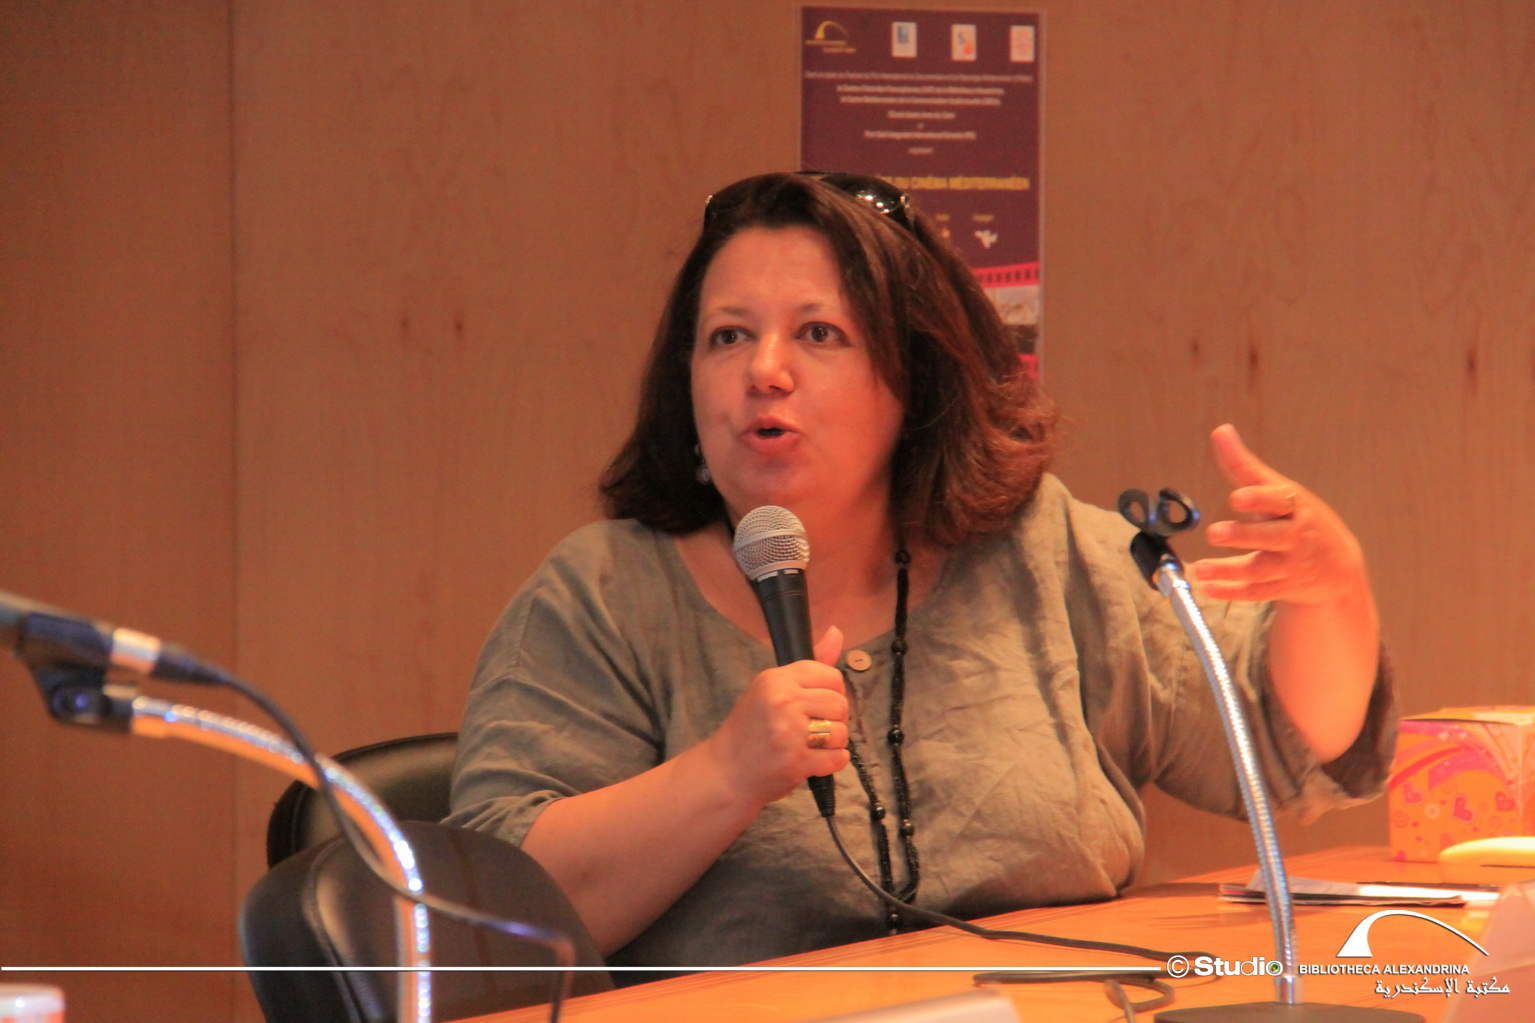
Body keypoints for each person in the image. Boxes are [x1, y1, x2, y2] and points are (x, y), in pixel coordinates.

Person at [446, 171, 1395, 968]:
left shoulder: (1042, 550)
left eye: (818, 333)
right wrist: (726, 773)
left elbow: (1284, 736)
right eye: (727, 335)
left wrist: (1332, 592)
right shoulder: (605, 594)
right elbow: (488, 916)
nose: (764, 369)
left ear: (915, 383)